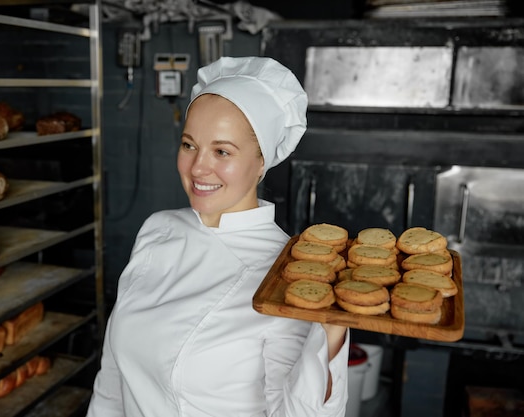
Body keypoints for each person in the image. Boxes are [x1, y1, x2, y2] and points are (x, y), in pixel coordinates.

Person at [86, 56, 349, 417]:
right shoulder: (158, 229)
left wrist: (333, 331)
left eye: (222, 151)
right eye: (189, 144)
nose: (197, 167)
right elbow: (114, 374)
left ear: (261, 162)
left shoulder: (285, 273)